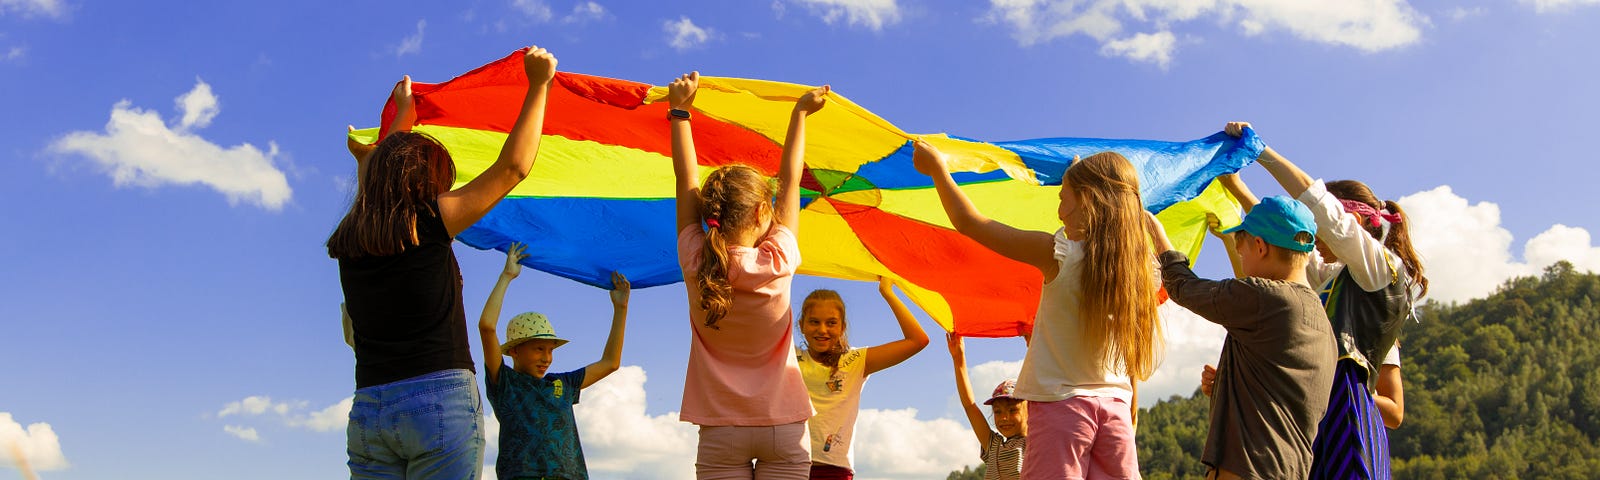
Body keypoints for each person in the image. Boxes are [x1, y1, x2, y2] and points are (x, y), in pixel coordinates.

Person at [329, 46, 558, 480]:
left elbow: (377, 186)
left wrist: (404, 113)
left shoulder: (352, 236)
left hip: (370, 409)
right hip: (438, 401)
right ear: (424, 183)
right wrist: (538, 85)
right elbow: (513, 167)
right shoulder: (429, 221)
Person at [913, 141, 1160, 479]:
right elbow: (1171, 259)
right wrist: (1080, 179)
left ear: (1088, 199)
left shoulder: (1060, 256)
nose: (1060, 212)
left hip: (1063, 410)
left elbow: (970, 222)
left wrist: (938, 170)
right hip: (1115, 411)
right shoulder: (1139, 271)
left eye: (1063, 199)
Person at [1224, 121, 1429, 480]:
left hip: (1348, 411)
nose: (1313, 240)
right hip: (1316, 407)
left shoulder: (1379, 269)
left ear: (1350, 223)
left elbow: (1315, 203)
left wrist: (1261, 153)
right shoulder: (1332, 277)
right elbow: (1287, 238)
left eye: (1320, 230)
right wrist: (1237, 188)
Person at [668, 71, 830, 479]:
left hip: (721, 428)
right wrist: (800, 115)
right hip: (784, 425)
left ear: (711, 215)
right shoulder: (778, 259)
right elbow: (791, 181)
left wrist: (679, 112)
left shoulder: (695, 258)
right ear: (763, 213)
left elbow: (685, 181)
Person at [1148, 195, 1337, 479]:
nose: (1240, 256)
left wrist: (1155, 232)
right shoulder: (1321, 321)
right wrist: (1229, 384)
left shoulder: (1267, 297)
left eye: (1241, 249)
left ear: (1260, 246)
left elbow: (1184, 287)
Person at [477, 243, 630, 480]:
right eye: (539, 349)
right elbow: (487, 327)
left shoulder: (563, 384)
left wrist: (621, 308)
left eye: (550, 350)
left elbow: (610, 362)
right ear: (515, 351)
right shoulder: (505, 383)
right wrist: (507, 276)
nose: (547, 358)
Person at [797, 278, 931, 479]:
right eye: (814, 321)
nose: (822, 329)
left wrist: (888, 293)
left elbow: (917, 340)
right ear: (801, 325)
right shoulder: (791, 357)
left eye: (831, 323)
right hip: (791, 463)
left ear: (842, 327)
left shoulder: (855, 361)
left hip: (835, 469)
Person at [948, 333, 1028, 480]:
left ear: (1030, 410)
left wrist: (1031, 345)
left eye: (1013, 410)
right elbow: (969, 406)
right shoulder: (993, 446)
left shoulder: (1035, 442)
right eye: (997, 412)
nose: (1004, 417)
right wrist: (958, 359)